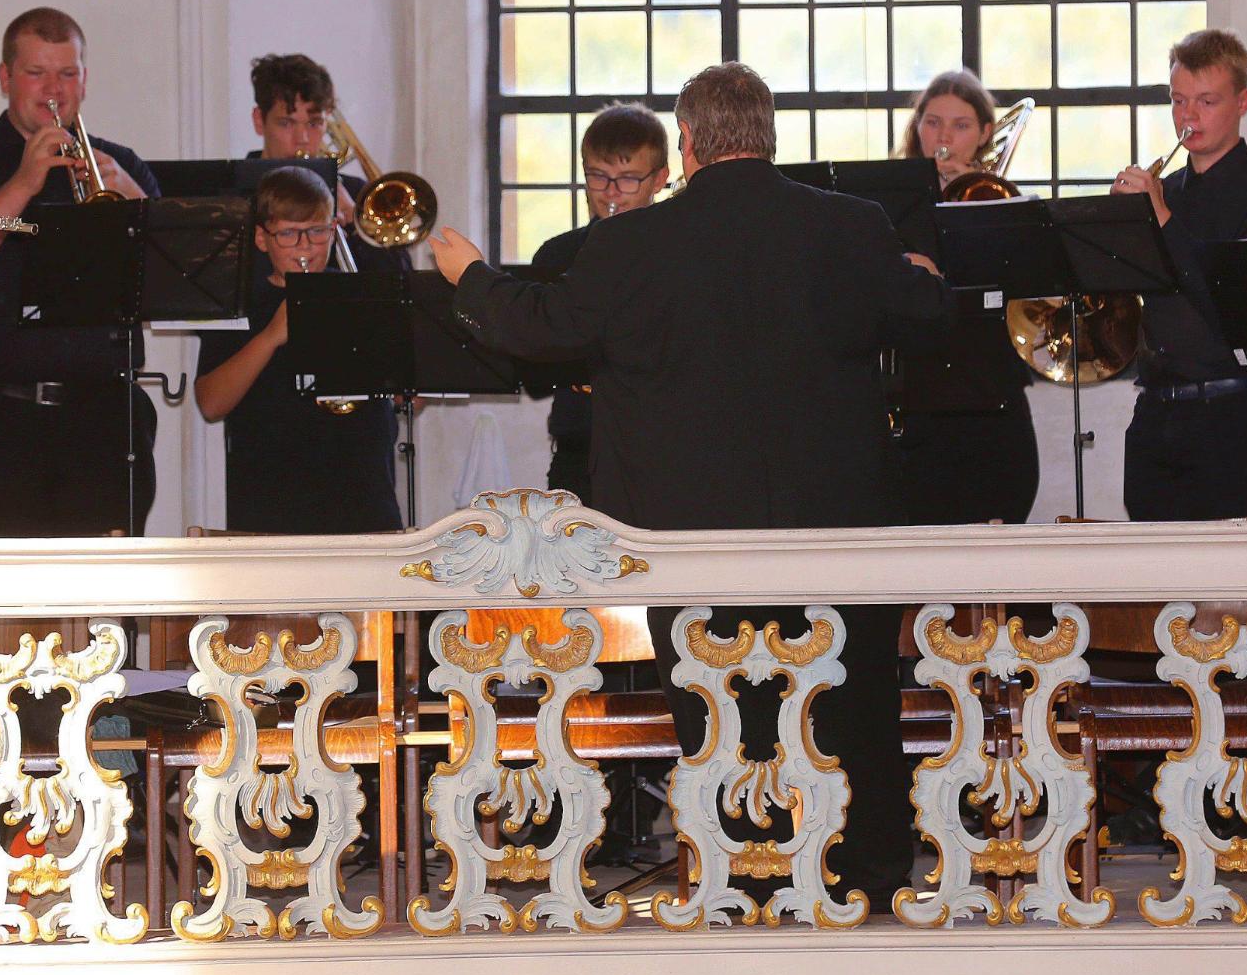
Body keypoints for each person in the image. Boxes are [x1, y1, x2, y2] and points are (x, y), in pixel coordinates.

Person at [430, 62, 951, 909]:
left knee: (718, 712)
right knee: (856, 702)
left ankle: (742, 870)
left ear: (691, 144)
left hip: (687, 530)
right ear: (769, 134)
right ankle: (872, 872)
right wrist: (921, 274)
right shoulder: (853, 225)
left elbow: (544, 327)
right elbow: (928, 318)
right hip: (837, 526)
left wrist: (471, 276)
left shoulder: (631, 241)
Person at [0, 7, 164, 535]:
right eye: (37, 73)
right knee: (1, 606)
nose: (54, 88)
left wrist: (136, 200)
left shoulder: (120, 165)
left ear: (85, 78)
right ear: (6, 77)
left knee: (106, 608)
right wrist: (23, 185)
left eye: (68, 73)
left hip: (106, 420)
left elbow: (169, 285)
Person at [1110, 29, 1247, 521]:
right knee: (1154, 586)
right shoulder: (1166, 189)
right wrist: (1116, 231)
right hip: (1155, 414)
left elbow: (1236, 307)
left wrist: (1161, 217)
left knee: (1228, 587)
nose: (1188, 116)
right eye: (1178, 101)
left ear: (1243, 102)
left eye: (1206, 101)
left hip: (1233, 417)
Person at [192, 168, 403, 534]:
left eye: (318, 232)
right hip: (270, 503)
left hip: (363, 500)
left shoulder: (363, 297)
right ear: (261, 238)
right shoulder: (236, 304)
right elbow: (211, 404)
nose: (305, 247)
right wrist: (271, 336)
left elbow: (407, 397)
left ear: (334, 230)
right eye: (288, 234)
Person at [893, 71, 1040, 526]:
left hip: (991, 398)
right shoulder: (886, 208)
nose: (944, 137)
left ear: (984, 134)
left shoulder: (1000, 203)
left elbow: (1023, 295)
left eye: (960, 126)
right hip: (914, 402)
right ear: (917, 129)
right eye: (933, 122)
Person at [525, 102, 672, 503]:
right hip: (579, 454)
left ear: (660, 178)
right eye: (598, 177)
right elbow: (534, 373)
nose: (610, 194)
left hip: (663, 456)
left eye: (627, 180)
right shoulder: (557, 256)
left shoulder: (679, 254)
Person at [246, 52, 409, 274]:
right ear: (259, 120)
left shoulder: (354, 193)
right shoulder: (236, 197)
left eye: (314, 123)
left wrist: (355, 221)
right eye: (286, 123)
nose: (302, 138)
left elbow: (401, 280)